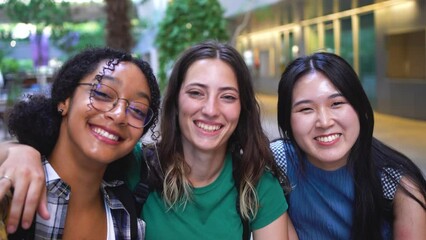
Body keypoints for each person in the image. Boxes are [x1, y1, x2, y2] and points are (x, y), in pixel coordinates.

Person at [0, 41, 291, 239]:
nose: (211, 109)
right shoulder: (138, 166)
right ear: (176, 104)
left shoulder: (254, 182)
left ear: (242, 108)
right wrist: (17, 151)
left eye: (227, 97)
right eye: (196, 93)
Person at [0, 47, 161, 239]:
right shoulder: (10, 189)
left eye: (137, 110)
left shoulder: (126, 213)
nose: (119, 115)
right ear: (64, 100)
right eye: (102, 94)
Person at [270, 52, 426, 239]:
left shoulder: (396, 182)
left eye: (336, 103)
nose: (324, 122)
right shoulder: (278, 163)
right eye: (306, 109)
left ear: (360, 108)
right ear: (287, 119)